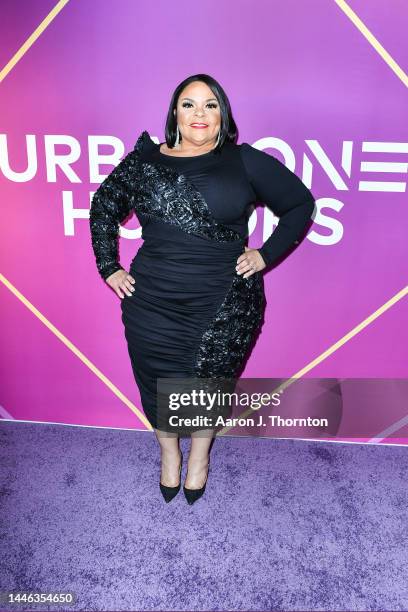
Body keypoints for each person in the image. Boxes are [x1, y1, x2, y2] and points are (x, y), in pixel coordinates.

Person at [89, 73, 315, 505]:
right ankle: (170, 456)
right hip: (151, 301)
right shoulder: (143, 162)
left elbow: (300, 204)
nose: (199, 113)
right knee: (156, 383)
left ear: (222, 115)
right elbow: (103, 206)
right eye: (189, 104)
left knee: (208, 386)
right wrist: (108, 267)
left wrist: (265, 255)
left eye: (210, 105)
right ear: (174, 111)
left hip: (223, 303)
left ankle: (200, 460)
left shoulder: (245, 161)